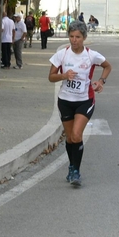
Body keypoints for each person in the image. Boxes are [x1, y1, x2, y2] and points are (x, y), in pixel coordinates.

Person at [48, 20, 112, 186]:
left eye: (77, 37)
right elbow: (51, 77)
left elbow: (107, 66)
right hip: (65, 100)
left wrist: (101, 81)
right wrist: (63, 76)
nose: (74, 40)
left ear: (84, 38)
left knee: (76, 135)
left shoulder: (91, 55)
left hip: (85, 100)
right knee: (70, 138)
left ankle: (76, 171)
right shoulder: (62, 54)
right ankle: (71, 166)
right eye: (71, 36)